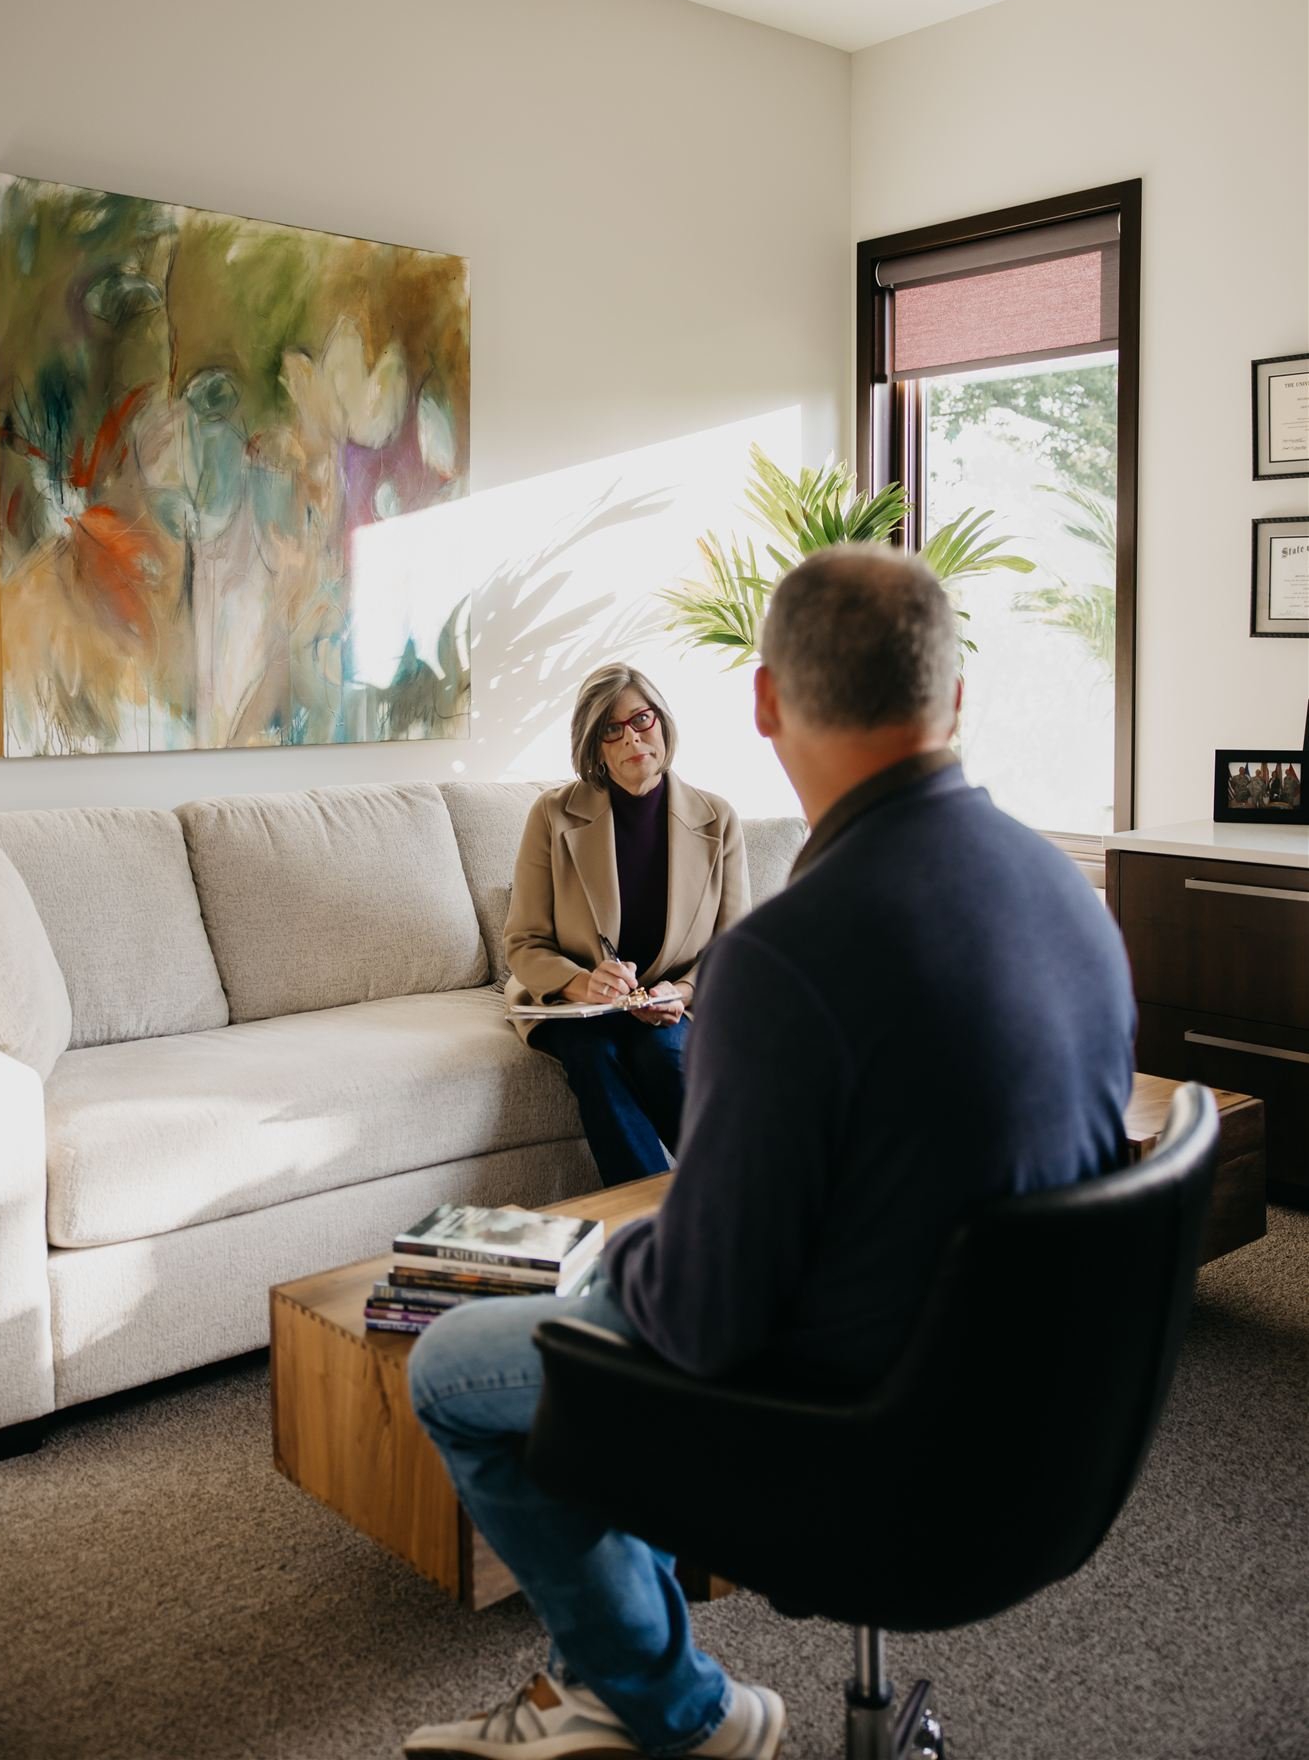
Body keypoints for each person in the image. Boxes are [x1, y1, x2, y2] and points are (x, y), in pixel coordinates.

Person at [403, 546, 1136, 1760]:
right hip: (1045, 1439)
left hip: (857, 1432)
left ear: (759, 703)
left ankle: (677, 1705)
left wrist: (605, 1273)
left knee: (453, 1365)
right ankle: (609, 1674)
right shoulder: (1073, 901)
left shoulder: (789, 960)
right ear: (957, 697)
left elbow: (701, 1317)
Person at [503, 663, 750, 1186]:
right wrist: (582, 982)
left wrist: (680, 992)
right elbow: (524, 942)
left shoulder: (718, 818)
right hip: (578, 1006)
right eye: (611, 729)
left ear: (662, 722)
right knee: (593, 1053)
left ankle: (730, 1196)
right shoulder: (552, 815)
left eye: (641, 719)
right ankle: (651, 1224)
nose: (633, 736)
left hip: (669, 1003)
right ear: (595, 747)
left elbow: (734, 949)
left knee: (660, 1053)